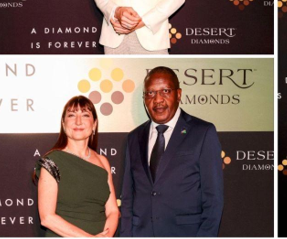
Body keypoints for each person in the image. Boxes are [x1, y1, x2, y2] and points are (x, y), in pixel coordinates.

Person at [119, 67, 223, 236]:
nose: (158, 99)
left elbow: (213, 198)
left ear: (178, 94)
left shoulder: (202, 132)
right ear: (144, 99)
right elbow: (128, 198)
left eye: (165, 91)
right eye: (150, 93)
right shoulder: (134, 138)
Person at [35, 96, 118, 237]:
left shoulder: (103, 161)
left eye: (85, 115)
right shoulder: (52, 161)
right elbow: (47, 218)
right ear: (63, 123)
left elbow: (113, 211)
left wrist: (105, 237)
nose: (78, 121)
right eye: (71, 115)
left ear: (94, 124)